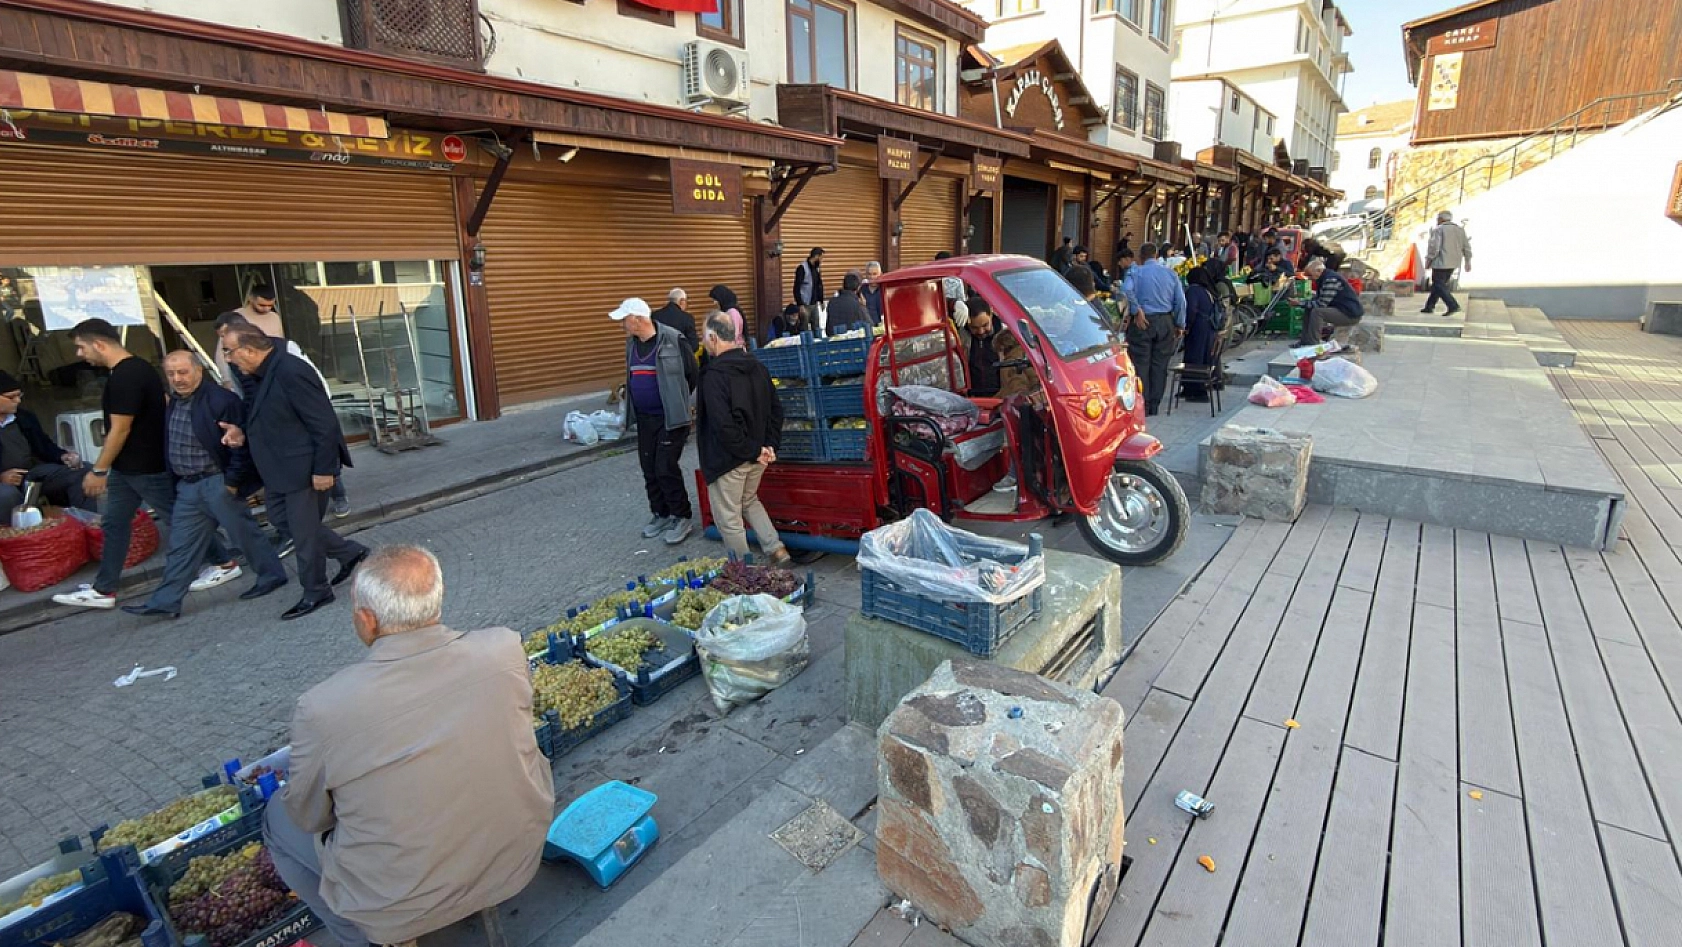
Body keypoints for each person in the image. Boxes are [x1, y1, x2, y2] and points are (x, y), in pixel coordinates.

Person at [263, 545, 554, 947]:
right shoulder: (503, 647)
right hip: (517, 855)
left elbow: (310, 816)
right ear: (435, 602)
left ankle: (358, 936)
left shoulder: (323, 708)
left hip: (401, 901)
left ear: (367, 621)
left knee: (276, 818)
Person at [120, 353, 289, 619]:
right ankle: (165, 602)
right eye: (171, 374)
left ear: (198, 370)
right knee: (181, 546)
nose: (178, 379)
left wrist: (233, 482)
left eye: (183, 372)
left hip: (216, 481)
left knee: (243, 534)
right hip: (188, 486)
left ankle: (272, 575)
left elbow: (242, 445)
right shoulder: (175, 401)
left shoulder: (221, 400)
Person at [219, 326, 369, 620]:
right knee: (280, 519)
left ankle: (317, 590)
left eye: (229, 351)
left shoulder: (290, 370)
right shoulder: (259, 372)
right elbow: (269, 415)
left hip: (304, 468)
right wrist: (241, 431)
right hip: (278, 469)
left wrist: (325, 469)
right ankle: (349, 552)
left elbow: (324, 423)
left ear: (248, 350)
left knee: (304, 535)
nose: (228, 359)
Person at [53, 320, 204, 610]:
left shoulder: (127, 376)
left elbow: (120, 428)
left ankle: (222, 560)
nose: (79, 354)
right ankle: (104, 589)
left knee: (179, 518)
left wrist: (98, 470)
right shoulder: (135, 370)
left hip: (144, 464)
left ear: (99, 344)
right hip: (129, 466)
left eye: (81, 346)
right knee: (115, 522)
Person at [696, 312, 791, 565]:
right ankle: (777, 549)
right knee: (749, 501)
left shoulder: (713, 376)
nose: (702, 342)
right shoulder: (757, 366)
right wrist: (768, 446)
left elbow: (722, 425)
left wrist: (753, 450)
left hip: (731, 459)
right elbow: (776, 410)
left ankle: (745, 570)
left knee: (729, 518)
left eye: (704, 336)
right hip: (757, 455)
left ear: (714, 338)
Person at [613, 297, 698, 545]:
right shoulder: (632, 344)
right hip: (645, 418)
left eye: (625, 320)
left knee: (665, 467)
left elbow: (691, 374)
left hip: (671, 418)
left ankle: (681, 516)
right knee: (649, 467)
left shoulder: (673, 339)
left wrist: (677, 400)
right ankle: (660, 513)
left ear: (638, 319)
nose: (622, 326)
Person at [0, 372, 93, 524]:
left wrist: (63, 456)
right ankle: (17, 538)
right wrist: (1, 477)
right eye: (11, 397)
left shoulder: (24, 417)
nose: (17, 401)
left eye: (19, 395)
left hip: (32, 474)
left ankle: (87, 525)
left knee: (83, 471)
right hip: (4, 483)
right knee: (5, 495)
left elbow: (44, 446)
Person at [1124, 243, 1186, 416]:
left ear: (1141, 256)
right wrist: (1180, 324)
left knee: (1141, 363)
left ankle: (1142, 402)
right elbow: (1181, 302)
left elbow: (1126, 289)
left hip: (1142, 322)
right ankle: (1155, 405)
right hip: (1165, 321)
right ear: (1157, 255)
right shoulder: (1171, 273)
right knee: (1160, 364)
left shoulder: (1135, 272)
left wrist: (1136, 309)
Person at [1300, 258, 1364, 346]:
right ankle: (1304, 341)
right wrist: (1304, 302)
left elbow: (1321, 304)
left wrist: (1299, 303)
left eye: (1311, 276)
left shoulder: (1330, 280)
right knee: (1309, 308)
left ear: (1319, 271)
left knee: (1317, 312)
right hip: (1341, 310)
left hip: (1349, 314)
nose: (1310, 279)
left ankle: (1313, 343)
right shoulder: (1324, 278)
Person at [1422, 210, 1472, 316]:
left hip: (1441, 261)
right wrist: (1468, 260)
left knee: (1438, 284)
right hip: (1454, 262)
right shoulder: (1460, 230)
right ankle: (1429, 306)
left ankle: (1452, 305)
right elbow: (1466, 247)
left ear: (1440, 219)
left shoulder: (1439, 230)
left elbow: (1434, 247)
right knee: (1439, 284)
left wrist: (1429, 260)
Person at [1181, 267, 1220, 402]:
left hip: (1198, 328)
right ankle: (1191, 387)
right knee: (1203, 357)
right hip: (1208, 329)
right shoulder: (1207, 291)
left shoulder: (1193, 290)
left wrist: (1187, 325)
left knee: (1194, 358)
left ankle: (1195, 389)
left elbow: (1191, 309)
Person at [961, 303, 1001, 398]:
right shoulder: (961, 338)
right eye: (974, 328)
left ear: (991, 314)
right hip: (971, 397)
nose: (981, 331)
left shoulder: (1005, 336)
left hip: (1001, 396)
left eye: (985, 325)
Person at [651, 288, 699, 352]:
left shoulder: (655, 315)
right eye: (686, 301)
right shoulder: (687, 318)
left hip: (659, 357)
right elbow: (694, 345)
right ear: (682, 301)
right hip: (680, 358)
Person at [826, 272, 870, 336]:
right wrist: (864, 307)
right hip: (853, 341)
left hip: (833, 340)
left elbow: (828, 329)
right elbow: (869, 325)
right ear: (858, 288)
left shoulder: (832, 302)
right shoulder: (858, 305)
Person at [791, 248, 825, 325]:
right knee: (804, 327)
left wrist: (821, 301)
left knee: (816, 326)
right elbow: (796, 288)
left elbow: (819, 285)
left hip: (814, 304)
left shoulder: (817, 268)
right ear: (816, 256)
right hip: (805, 304)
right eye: (821, 258)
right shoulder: (802, 268)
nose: (822, 261)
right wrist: (800, 305)